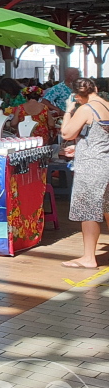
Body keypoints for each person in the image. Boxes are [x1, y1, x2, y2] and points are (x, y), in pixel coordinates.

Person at [61, 78, 109, 269]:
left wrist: (67, 110)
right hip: (105, 162)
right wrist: (81, 145)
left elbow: (67, 133)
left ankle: (89, 257)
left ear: (78, 96)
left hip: (91, 167)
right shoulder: (107, 105)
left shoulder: (86, 108)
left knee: (89, 211)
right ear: (95, 88)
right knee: (107, 208)